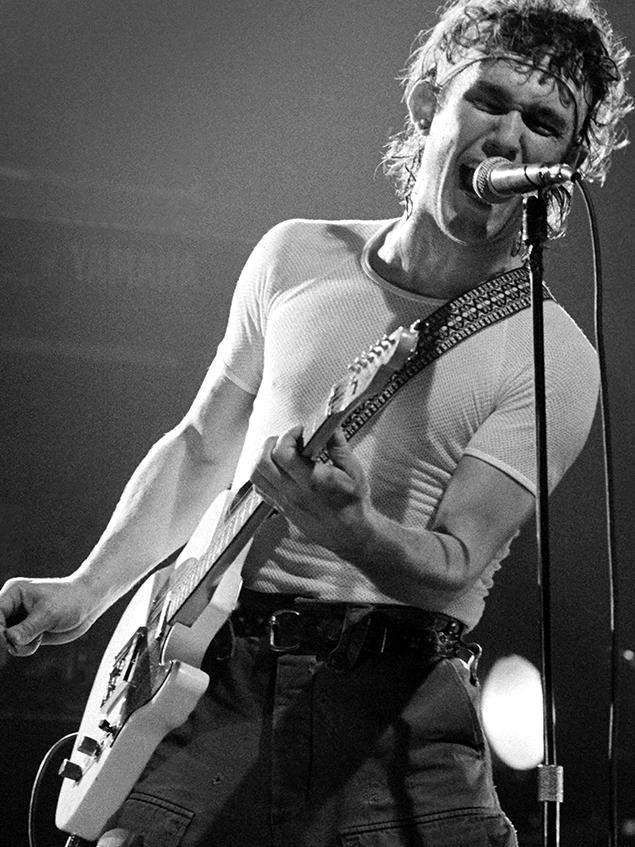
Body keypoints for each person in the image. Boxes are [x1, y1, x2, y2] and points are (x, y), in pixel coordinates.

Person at [1, 1, 631, 845]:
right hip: (207, 679)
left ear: (563, 165)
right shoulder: (294, 255)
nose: (509, 136)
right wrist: (84, 590)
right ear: (426, 105)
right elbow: (198, 448)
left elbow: (454, 564)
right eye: (488, 101)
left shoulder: (553, 353)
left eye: (544, 123)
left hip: (394, 707)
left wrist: (353, 528)